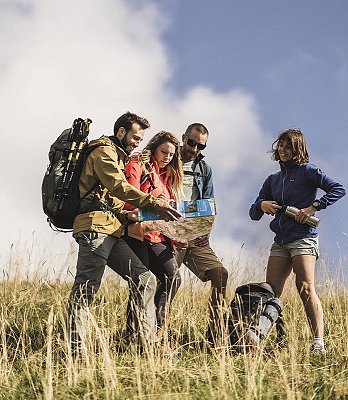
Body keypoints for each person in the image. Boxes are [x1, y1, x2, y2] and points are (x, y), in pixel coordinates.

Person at [68, 111, 181, 354]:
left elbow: (113, 199)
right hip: (94, 228)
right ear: (121, 131)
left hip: (112, 229)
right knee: (86, 289)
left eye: (140, 140)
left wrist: (130, 215)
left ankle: (144, 344)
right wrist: (152, 202)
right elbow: (118, 187)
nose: (136, 143)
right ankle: (75, 350)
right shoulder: (104, 151)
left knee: (146, 281)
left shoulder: (118, 156)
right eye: (135, 137)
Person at [249, 128, 346, 355]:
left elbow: (338, 189)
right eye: (280, 145)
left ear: (298, 149)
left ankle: (318, 343)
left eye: (288, 146)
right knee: (270, 292)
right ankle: (268, 337)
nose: (283, 150)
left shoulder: (308, 171)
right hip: (280, 241)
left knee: (304, 287)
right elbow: (253, 213)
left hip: (303, 238)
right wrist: (262, 205)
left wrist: (314, 207)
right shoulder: (272, 180)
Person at [122, 131, 184, 330]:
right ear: (154, 148)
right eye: (163, 152)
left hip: (159, 237)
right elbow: (129, 198)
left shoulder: (166, 177)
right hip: (137, 233)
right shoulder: (137, 164)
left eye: (171, 155)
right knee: (142, 283)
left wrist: (176, 238)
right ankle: (134, 333)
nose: (167, 157)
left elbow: (168, 214)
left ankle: (158, 328)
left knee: (172, 278)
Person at [175, 123, 228, 344]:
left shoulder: (204, 169)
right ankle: (153, 333)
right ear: (184, 137)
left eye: (200, 146)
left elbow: (209, 204)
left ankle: (216, 334)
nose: (194, 148)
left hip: (194, 233)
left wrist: (204, 227)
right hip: (169, 232)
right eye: (191, 142)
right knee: (168, 280)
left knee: (220, 274)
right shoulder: (167, 157)